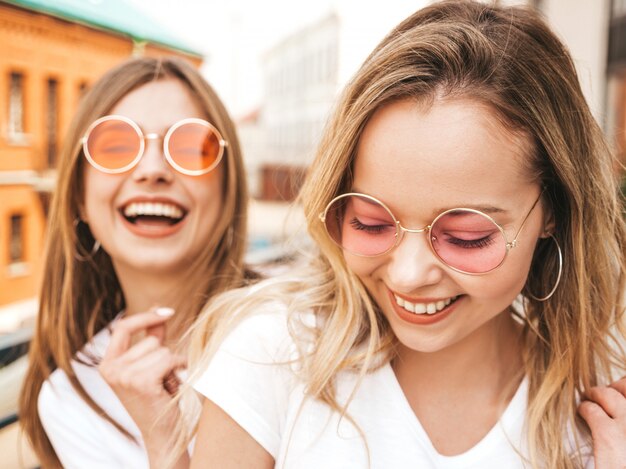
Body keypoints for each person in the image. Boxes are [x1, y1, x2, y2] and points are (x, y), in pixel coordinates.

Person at [180, 1, 626, 468]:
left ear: (552, 209)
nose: (409, 275)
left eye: (467, 236)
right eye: (370, 223)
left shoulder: (600, 409)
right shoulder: (271, 356)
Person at [19, 56, 250, 468]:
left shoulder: (303, 331)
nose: (153, 169)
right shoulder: (72, 400)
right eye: (116, 145)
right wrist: (164, 442)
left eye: (190, 146)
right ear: (79, 197)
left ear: (227, 188)